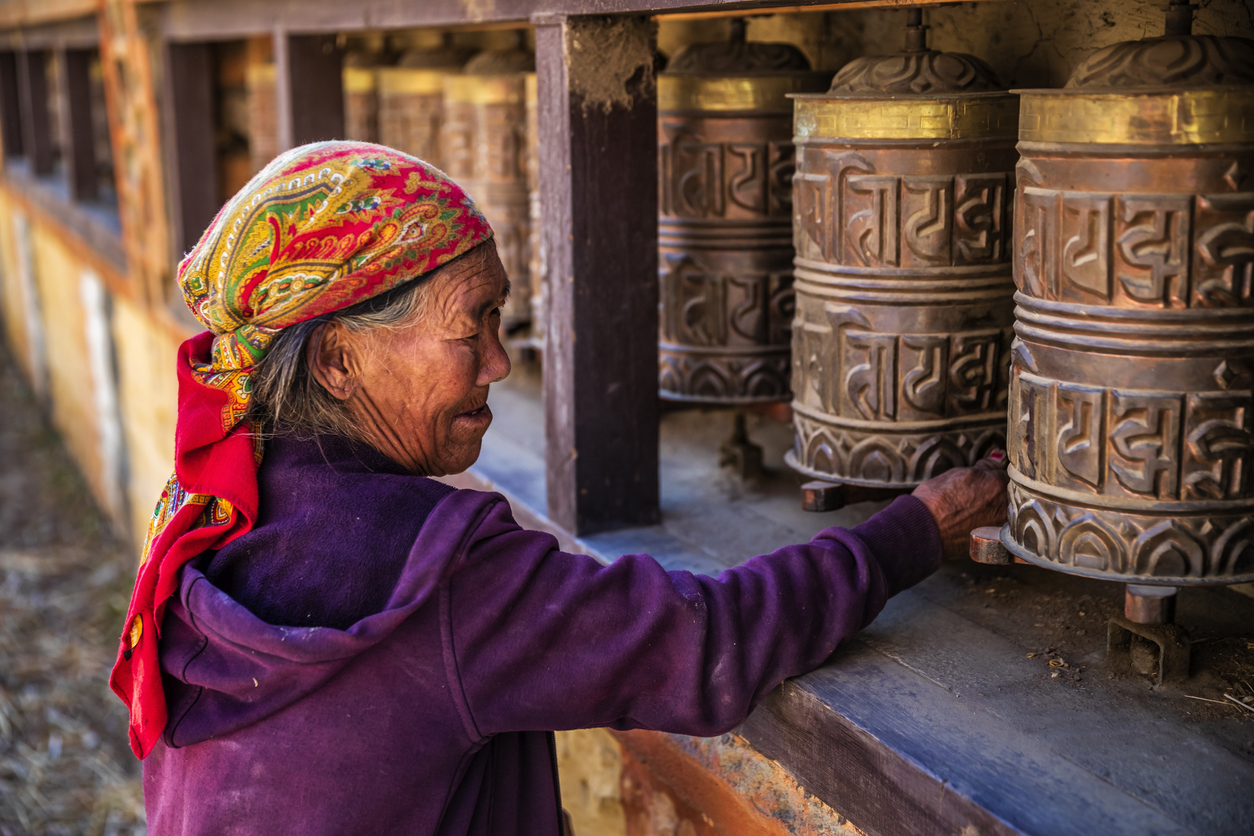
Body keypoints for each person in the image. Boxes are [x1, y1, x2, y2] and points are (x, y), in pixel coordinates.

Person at [111, 141, 1008, 836]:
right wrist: (916, 530)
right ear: (341, 360)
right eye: (475, 324)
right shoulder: (436, 575)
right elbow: (708, 644)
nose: (501, 362)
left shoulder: (223, 507)